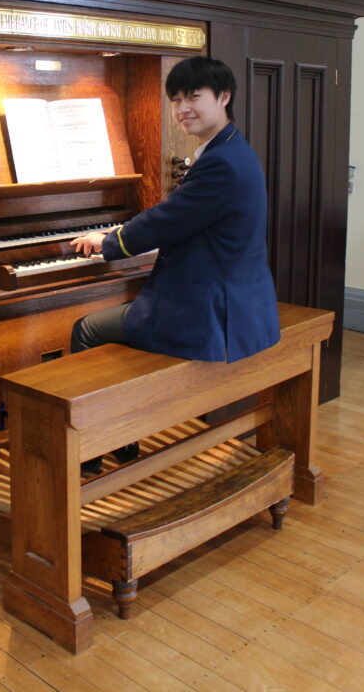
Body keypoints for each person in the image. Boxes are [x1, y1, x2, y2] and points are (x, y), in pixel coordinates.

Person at [70, 56, 280, 474]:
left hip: (212, 312)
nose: (182, 108)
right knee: (116, 321)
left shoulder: (220, 163)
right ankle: (122, 440)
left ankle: (93, 454)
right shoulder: (232, 148)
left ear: (223, 97)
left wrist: (109, 241)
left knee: (87, 329)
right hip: (236, 298)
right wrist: (142, 237)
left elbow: (168, 219)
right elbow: (183, 218)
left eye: (193, 97)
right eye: (176, 99)